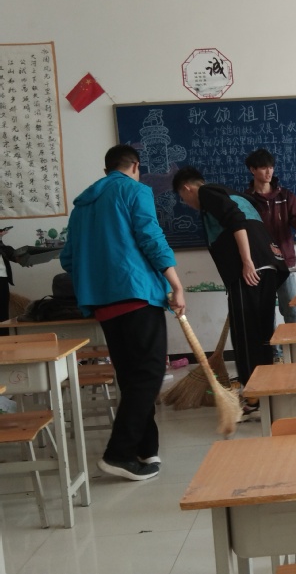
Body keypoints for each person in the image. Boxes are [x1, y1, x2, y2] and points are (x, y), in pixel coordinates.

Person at [60, 144, 186, 481]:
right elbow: (151, 237)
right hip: (136, 294)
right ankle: (118, 454)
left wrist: (98, 277)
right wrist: (176, 284)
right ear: (135, 166)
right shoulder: (134, 190)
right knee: (149, 374)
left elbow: (68, 259)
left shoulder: (83, 205)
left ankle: (146, 449)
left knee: (132, 378)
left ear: (107, 170)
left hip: (102, 302)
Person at [172, 166, 288, 408]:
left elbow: (237, 222)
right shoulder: (232, 193)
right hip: (269, 266)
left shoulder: (207, 193)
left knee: (245, 335)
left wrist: (246, 262)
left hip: (250, 270)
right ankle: (266, 392)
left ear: (187, 188)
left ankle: (253, 395)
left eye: (183, 198)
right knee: (261, 332)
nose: (188, 204)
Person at [244, 148, 296, 330]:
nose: (269, 172)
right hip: (259, 263)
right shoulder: (245, 200)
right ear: (252, 170)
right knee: (264, 312)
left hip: (284, 262)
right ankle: (272, 348)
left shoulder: (285, 196)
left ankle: (295, 345)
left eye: (271, 167)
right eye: (263, 168)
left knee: (292, 309)